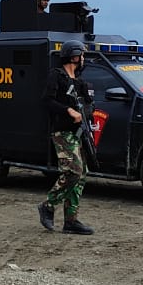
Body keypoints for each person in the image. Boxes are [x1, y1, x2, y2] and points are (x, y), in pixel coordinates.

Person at [38, 40, 94, 234]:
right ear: (74, 56)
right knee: (73, 171)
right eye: (82, 55)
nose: (83, 59)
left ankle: (71, 220)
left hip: (79, 133)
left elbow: (89, 105)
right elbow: (47, 101)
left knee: (81, 175)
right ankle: (48, 205)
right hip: (63, 132)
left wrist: (87, 112)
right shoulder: (57, 76)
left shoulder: (80, 82)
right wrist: (68, 110)